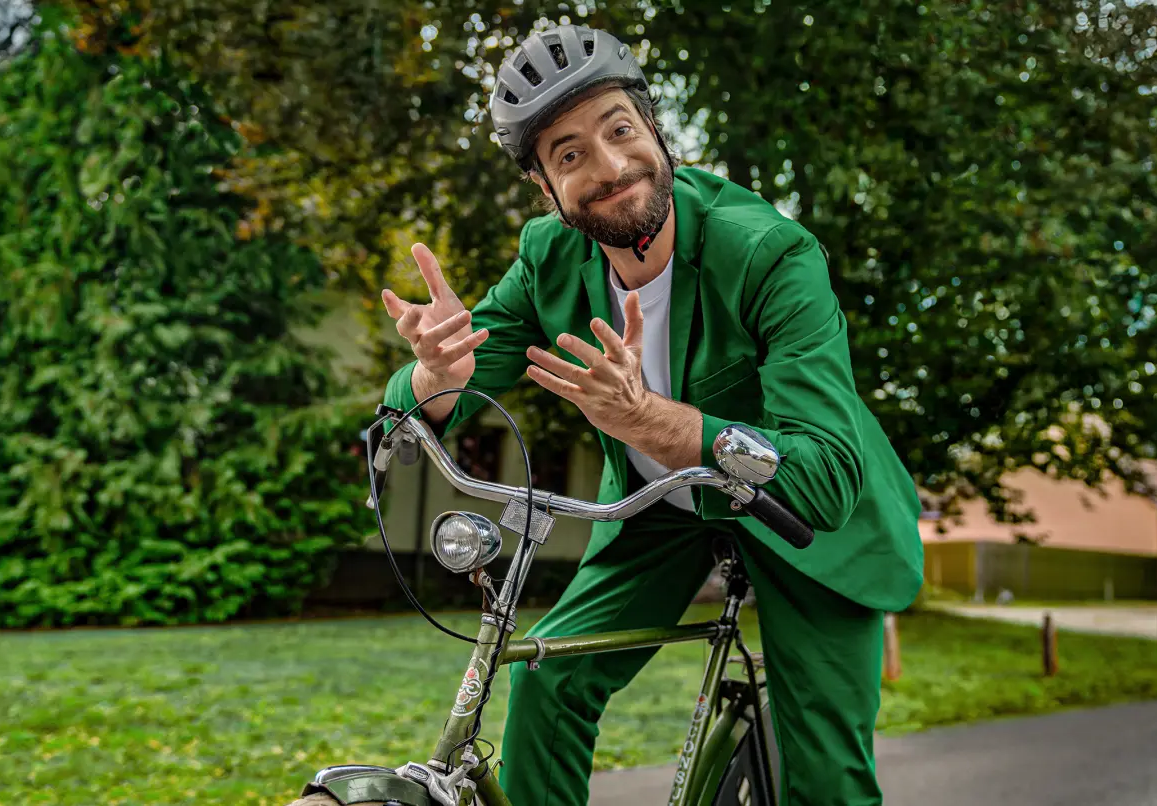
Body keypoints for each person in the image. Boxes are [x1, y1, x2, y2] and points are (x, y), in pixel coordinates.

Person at [379, 23, 924, 806]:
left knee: (828, 781)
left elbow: (830, 475)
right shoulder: (550, 259)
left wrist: (653, 422)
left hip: (805, 516)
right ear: (545, 189)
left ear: (657, 134)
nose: (608, 167)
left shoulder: (769, 254)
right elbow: (435, 390)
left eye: (620, 131)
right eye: (569, 155)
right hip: (662, 515)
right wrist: (435, 374)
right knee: (546, 680)